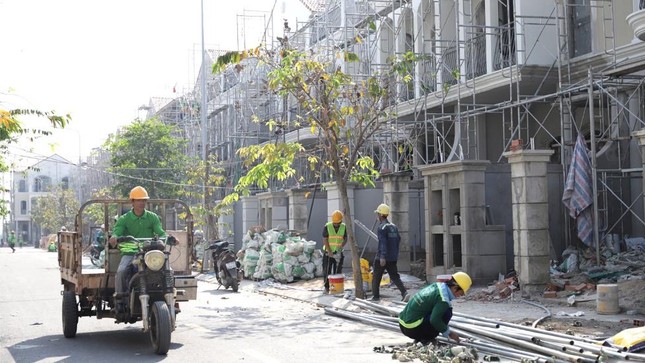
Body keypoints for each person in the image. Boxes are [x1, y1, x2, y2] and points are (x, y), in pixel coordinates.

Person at [109, 186, 166, 312]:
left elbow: (160, 232)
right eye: (138, 200)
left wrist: (166, 238)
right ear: (132, 202)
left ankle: (169, 295)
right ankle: (120, 301)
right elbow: (117, 231)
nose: (141, 203)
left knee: (167, 269)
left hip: (148, 253)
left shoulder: (152, 217)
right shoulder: (124, 219)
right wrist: (114, 237)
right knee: (122, 271)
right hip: (130, 252)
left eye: (143, 200)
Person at [398, 271, 472, 345]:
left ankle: (420, 338)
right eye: (461, 293)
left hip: (403, 324)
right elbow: (434, 320)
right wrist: (449, 332)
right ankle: (426, 339)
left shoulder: (436, 286)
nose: (460, 296)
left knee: (435, 310)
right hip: (412, 329)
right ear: (455, 288)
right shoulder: (443, 299)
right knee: (447, 312)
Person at [371, 203, 408, 301]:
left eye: (377, 214)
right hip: (392, 257)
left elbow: (383, 242)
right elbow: (398, 240)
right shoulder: (394, 227)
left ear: (380, 215)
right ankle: (405, 293)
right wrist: (394, 254)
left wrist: (383, 256)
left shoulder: (382, 227)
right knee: (395, 276)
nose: (377, 216)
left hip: (382, 257)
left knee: (376, 277)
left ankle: (375, 297)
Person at [322, 209, 347, 294]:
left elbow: (345, 238)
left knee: (338, 271)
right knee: (327, 271)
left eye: (338, 223)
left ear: (341, 221)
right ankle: (326, 287)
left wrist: (341, 247)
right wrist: (329, 251)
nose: (336, 224)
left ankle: (337, 287)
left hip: (338, 253)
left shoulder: (343, 227)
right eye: (335, 223)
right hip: (328, 253)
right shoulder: (327, 226)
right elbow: (325, 239)